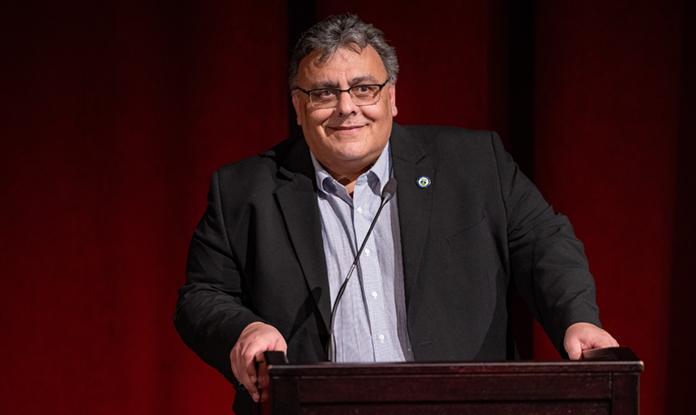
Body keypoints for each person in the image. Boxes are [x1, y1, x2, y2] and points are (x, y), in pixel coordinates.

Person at [174, 13, 618, 413]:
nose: (347, 107)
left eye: (364, 88)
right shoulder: (244, 190)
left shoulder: (475, 164)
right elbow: (202, 296)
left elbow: (543, 242)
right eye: (324, 92)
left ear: (391, 97)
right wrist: (244, 330)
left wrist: (577, 317)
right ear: (298, 107)